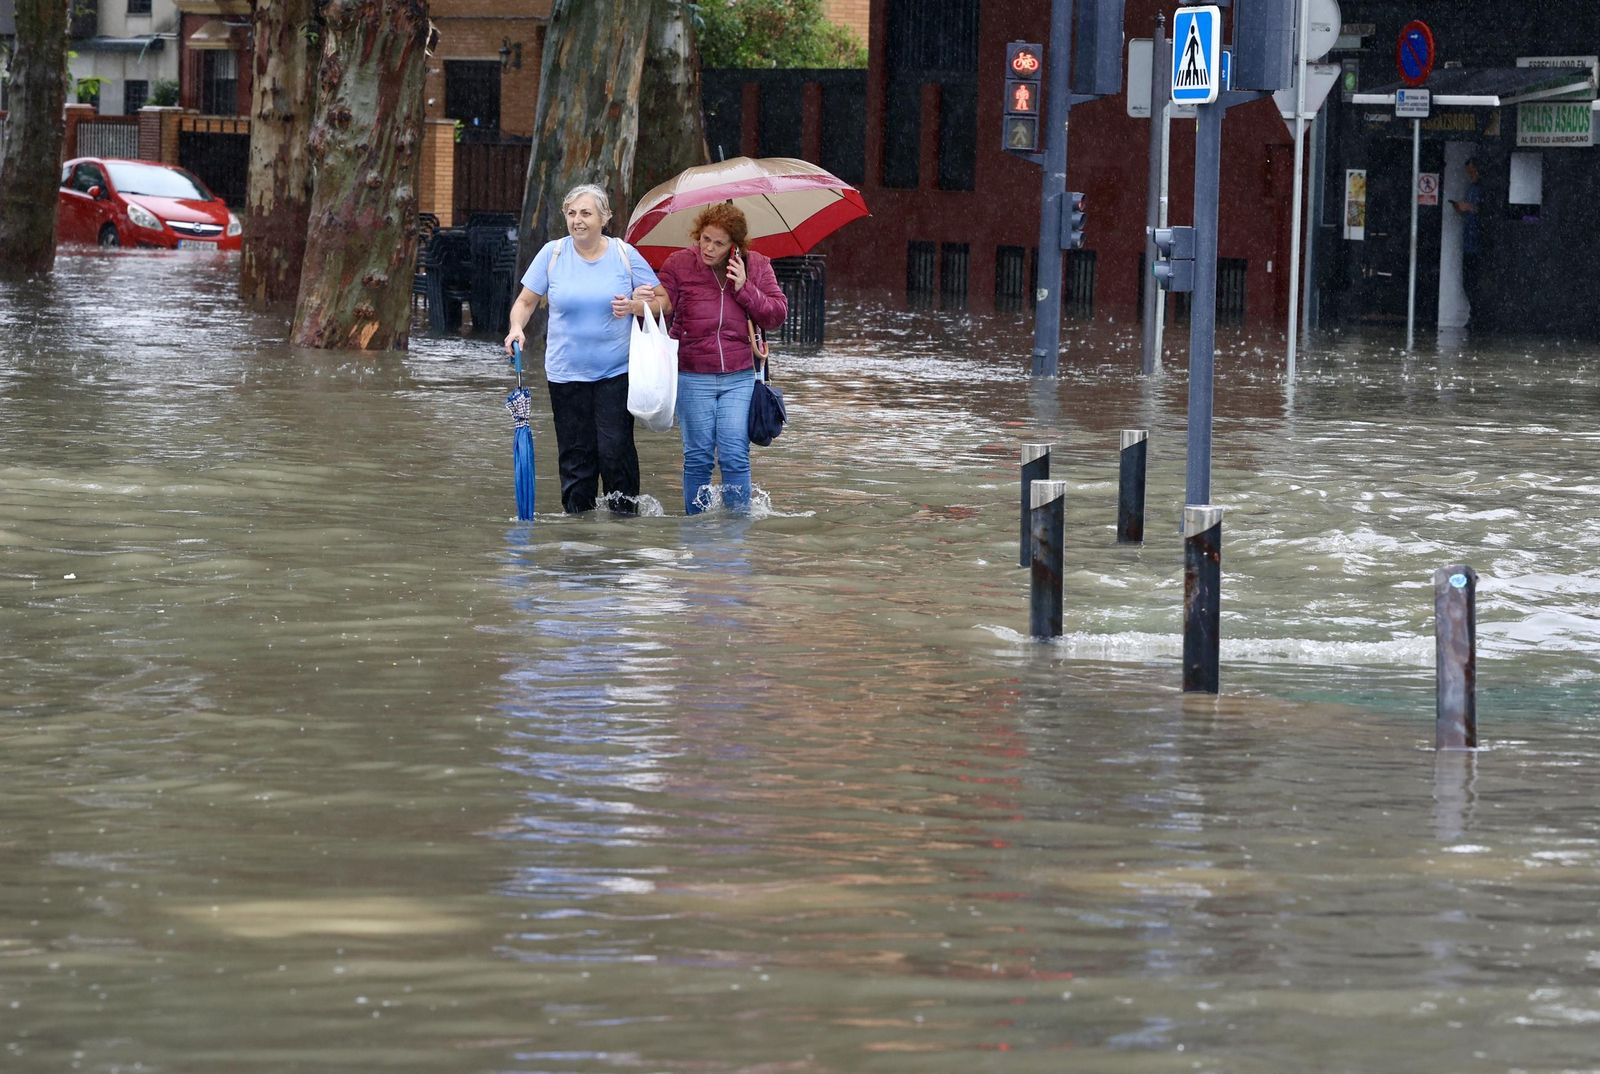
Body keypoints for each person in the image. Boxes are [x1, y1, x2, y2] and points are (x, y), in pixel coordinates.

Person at [504, 184, 663, 514]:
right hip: (566, 374)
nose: (578, 220)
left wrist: (635, 305)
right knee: (576, 460)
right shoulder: (553, 254)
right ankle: (579, 536)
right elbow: (525, 301)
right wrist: (516, 328)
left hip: (616, 373)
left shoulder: (624, 254)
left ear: (605, 217)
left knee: (614, 451)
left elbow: (664, 302)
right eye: (572, 213)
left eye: (586, 213)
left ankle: (623, 534)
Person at [655, 204, 788, 515]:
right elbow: (663, 306)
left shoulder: (757, 265)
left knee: (733, 454)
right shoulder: (679, 263)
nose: (708, 248)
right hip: (691, 373)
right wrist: (642, 303)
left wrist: (744, 287)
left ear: (735, 247)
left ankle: (736, 530)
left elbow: (777, 314)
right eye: (704, 239)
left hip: (739, 376)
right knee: (698, 455)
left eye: (718, 243)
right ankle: (696, 528)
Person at [1451, 158, 1484, 327]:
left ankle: (1478, 315)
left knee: (1476, 282)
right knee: (1468, 282)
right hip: (1469, 242)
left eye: (1472, 171)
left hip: (1479, 243)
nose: (1470, 175)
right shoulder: (1471, 189)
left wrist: (1470, 208)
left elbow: (1485, 210)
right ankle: (1475, 313)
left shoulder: (1484, 189)